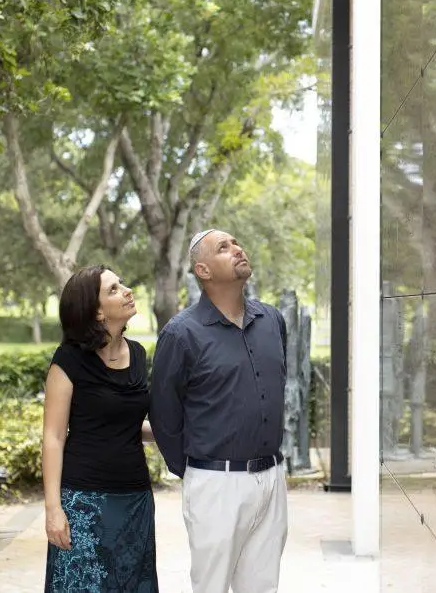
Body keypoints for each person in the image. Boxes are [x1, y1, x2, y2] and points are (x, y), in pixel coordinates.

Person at [149, 229, 288, 593]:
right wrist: (196, 471)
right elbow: (164, 416)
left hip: (273, 478)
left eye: (236, 243)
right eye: (223, 248)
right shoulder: (180, 335)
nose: (237, 249)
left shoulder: (272, 320)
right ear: (203, 271)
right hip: (215, 483)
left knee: (263, 586)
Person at [42, 265, 158, 592]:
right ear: (95, 312)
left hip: (135, 499)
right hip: (83, 503)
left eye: (121, 284)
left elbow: (127, 426)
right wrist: (53, 509)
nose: (127, 291)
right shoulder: (68, 360)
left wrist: (181, 434)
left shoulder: (138, 354)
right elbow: (52, 437)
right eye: (113, 289)